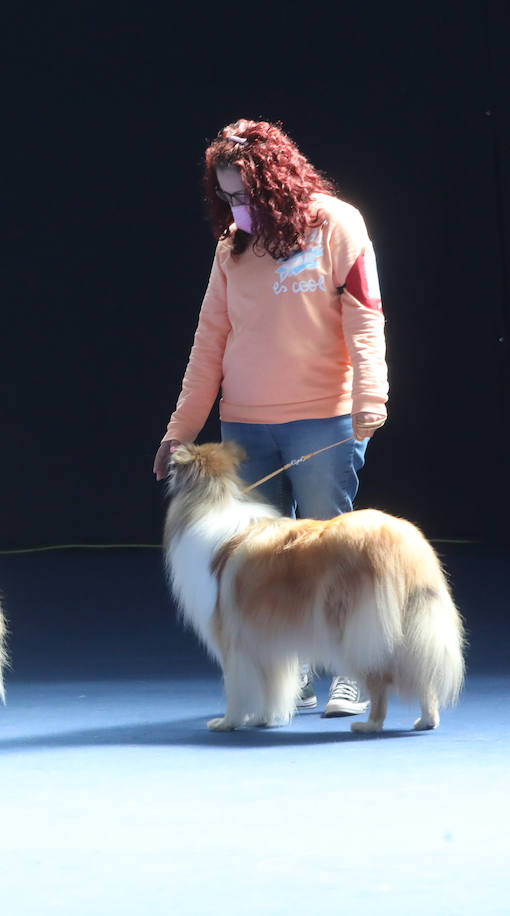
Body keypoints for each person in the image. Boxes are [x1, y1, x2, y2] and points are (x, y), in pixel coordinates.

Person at [153, 119, 388, 718]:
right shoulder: (231, 248)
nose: (237, 207)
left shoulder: (339, 224)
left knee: (330, 551)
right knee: (258, 566)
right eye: (227, 196)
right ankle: (288, 674)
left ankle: (349, 673)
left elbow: (365, 317)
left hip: (323, 419)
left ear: (277, 182)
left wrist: (372, 396)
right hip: (246, 425)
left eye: (246, 195)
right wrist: (179, 431)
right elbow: (208, 344)